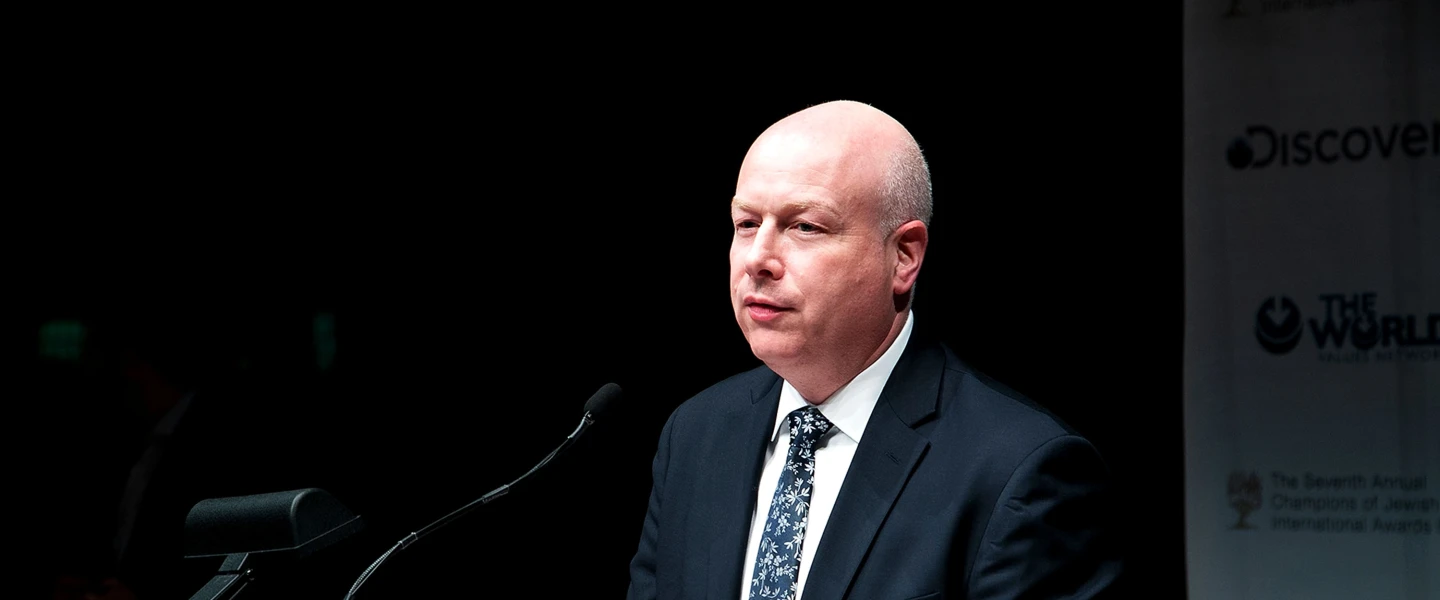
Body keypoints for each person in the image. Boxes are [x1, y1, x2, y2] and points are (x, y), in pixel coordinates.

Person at [625, 100, 1123, 599]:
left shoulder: (1019, 472)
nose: (758, 259)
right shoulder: (694, 434)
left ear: (904, 256)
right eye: (747, 224)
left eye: (805, 227)